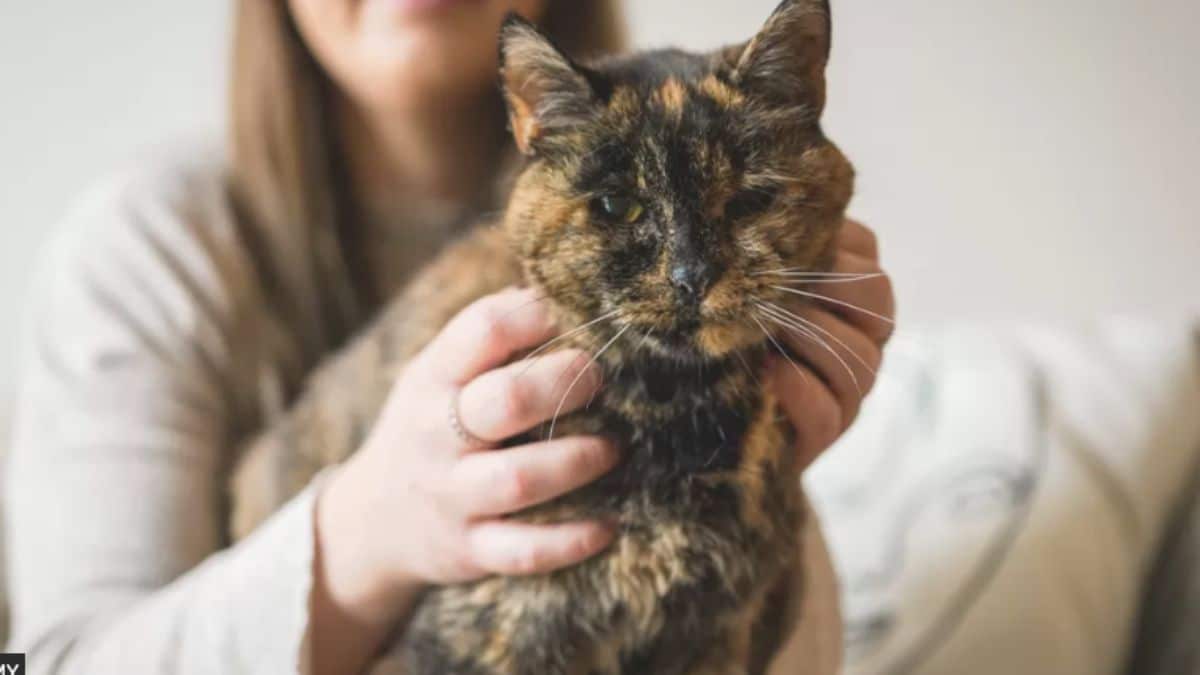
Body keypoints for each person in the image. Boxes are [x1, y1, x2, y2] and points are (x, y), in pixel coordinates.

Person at [4, 1, 894, 673]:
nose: (691, 272)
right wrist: (365, 532)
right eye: (617, 211)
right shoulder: (150, 247)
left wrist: (765, 475)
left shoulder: (739, 231)